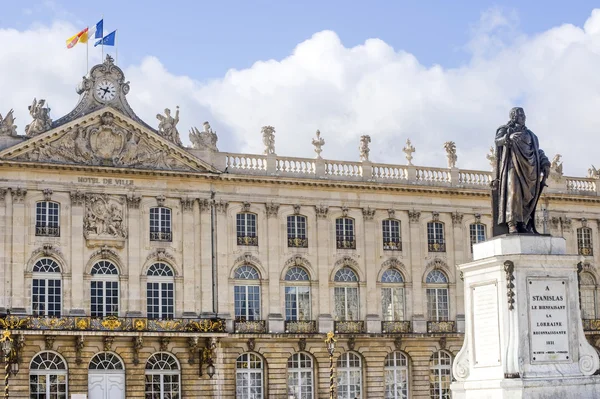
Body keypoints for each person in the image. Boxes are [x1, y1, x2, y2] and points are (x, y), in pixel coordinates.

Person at [493, 107, 550, 235]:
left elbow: (537, 151)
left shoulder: (531, 135)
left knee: (527, 197)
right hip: (513, 165)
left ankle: (522, 222)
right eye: (520, 115)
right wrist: (508, 137)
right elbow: (497, 141)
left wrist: (545, 162)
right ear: (513, 117)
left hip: (530, 169)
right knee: (513, 192)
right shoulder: (505, 129)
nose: (523, 117)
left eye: (524, 115)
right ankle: (512, 223)